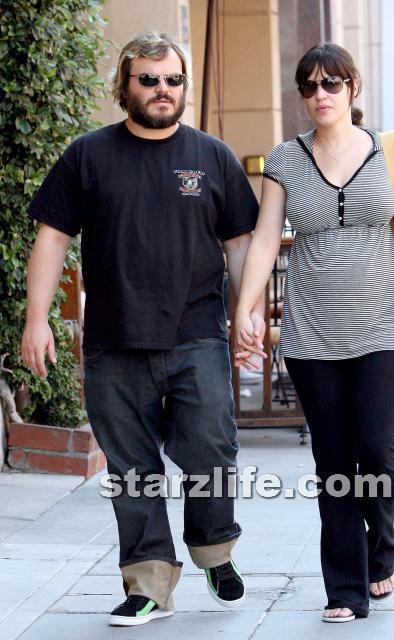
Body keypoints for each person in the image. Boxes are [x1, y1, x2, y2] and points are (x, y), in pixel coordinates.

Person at [21, 31, 265, 627]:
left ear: (184, 86)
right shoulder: (88, 155)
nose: (162, 89)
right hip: (114, 339)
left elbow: (240, 244)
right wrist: (37, 319)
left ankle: (214, 551)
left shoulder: (213, 156)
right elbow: (52, 237)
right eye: (149, 79)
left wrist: (247, 314)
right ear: (124, 86)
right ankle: (148, 583)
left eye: (173, 80)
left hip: (197, 333)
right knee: (132, 468)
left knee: (210, 450)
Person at [234, 43, 394, 622]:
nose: (320, 95)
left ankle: (381, 551)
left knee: (376, 451)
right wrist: (246, 308)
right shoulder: (285, 158)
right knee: (332, 461)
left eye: (331, 83)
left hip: (382, 326)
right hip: (311, 333)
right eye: (309, 86)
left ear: (353, 87)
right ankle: (345, 588)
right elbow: (265, 238)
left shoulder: (389, 149)